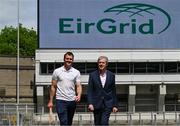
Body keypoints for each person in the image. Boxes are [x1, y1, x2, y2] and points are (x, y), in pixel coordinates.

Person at [48, 51, 82, 125]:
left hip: (72, 100)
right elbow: (53, 86)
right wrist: (51, 101)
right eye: (67, 58)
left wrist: (79, 95)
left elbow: (78, 85)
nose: (68, 60)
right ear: (64, 59)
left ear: (72, 60)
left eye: (70, 59)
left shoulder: (76, 72)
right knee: (64, 122)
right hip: (60, 100)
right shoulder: (57, 71)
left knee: (69, 122)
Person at [87, 56, 118, 126]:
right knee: (97, 123)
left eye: (103, 63)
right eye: (99, 62)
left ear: (106, 64)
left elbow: (113, 90)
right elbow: (90, 90)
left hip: (107, 104)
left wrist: (115, 105)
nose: (101, 64)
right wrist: (90, 103)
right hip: (96, 104)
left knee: (104, 123)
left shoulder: (111, 75)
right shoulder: (92, 75)